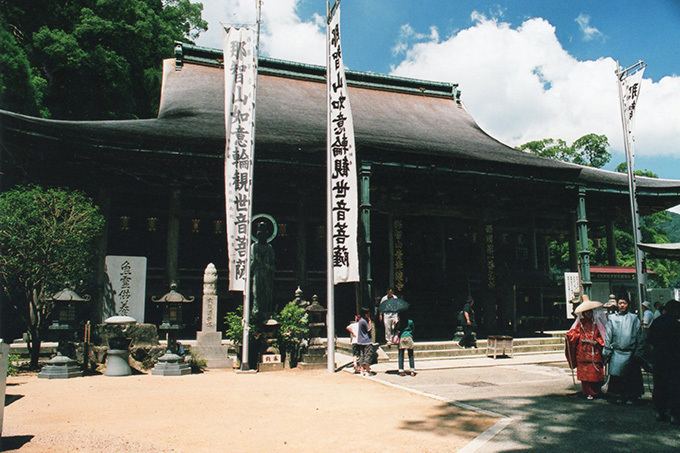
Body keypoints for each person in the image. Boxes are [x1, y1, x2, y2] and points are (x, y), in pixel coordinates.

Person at [603, 295, 645, 404]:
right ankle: (618, 396)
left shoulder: (634, 318)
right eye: (620, 303)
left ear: (628, 304)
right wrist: (607, 350)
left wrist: (638, 351)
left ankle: (631, 397)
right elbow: (608, 335)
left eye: (624, 303)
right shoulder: (612, 318)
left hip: (630, 352)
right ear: (617, 304)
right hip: (617, 352)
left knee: (631, 377)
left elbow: (639, 336)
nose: (622, 305)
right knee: (617, 377)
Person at [566, 297, 606, 399]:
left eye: (590, 312)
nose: (588, 314)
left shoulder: (597, 323)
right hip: (583, 350)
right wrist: (570, 336)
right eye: (586, 312)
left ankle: (596, 391)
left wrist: (597, 341)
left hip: (595, 349)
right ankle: (587, 392)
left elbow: (603, 334)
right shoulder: (580, 324)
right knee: (585, 372)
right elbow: (574, 333)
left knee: (595, 370)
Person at [647, 299, 680, 424]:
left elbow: (650, 341)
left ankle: (660, 411)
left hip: (659, 358)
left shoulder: (657, 322)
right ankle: (674, 413)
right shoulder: (676, 324)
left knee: (659, 384)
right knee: (674, 386)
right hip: (674, 359)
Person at [396, 313, 416, 377]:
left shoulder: (399, 322)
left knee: (401, 355)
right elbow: (413, 329)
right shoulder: (410, 321)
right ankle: (412, 370)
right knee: (410, 354)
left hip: (402, 337)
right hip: (409, 337)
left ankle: (401, 370)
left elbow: (396, 329)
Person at [357, 307, 374, 376]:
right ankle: (367, 370)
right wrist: (369, 321)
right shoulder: (364, 321)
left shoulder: (360, 321)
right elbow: (369, 329)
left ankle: (362, 370)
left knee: (362, 355)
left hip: (361, 341)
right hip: (366, 340)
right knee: (368, 355)